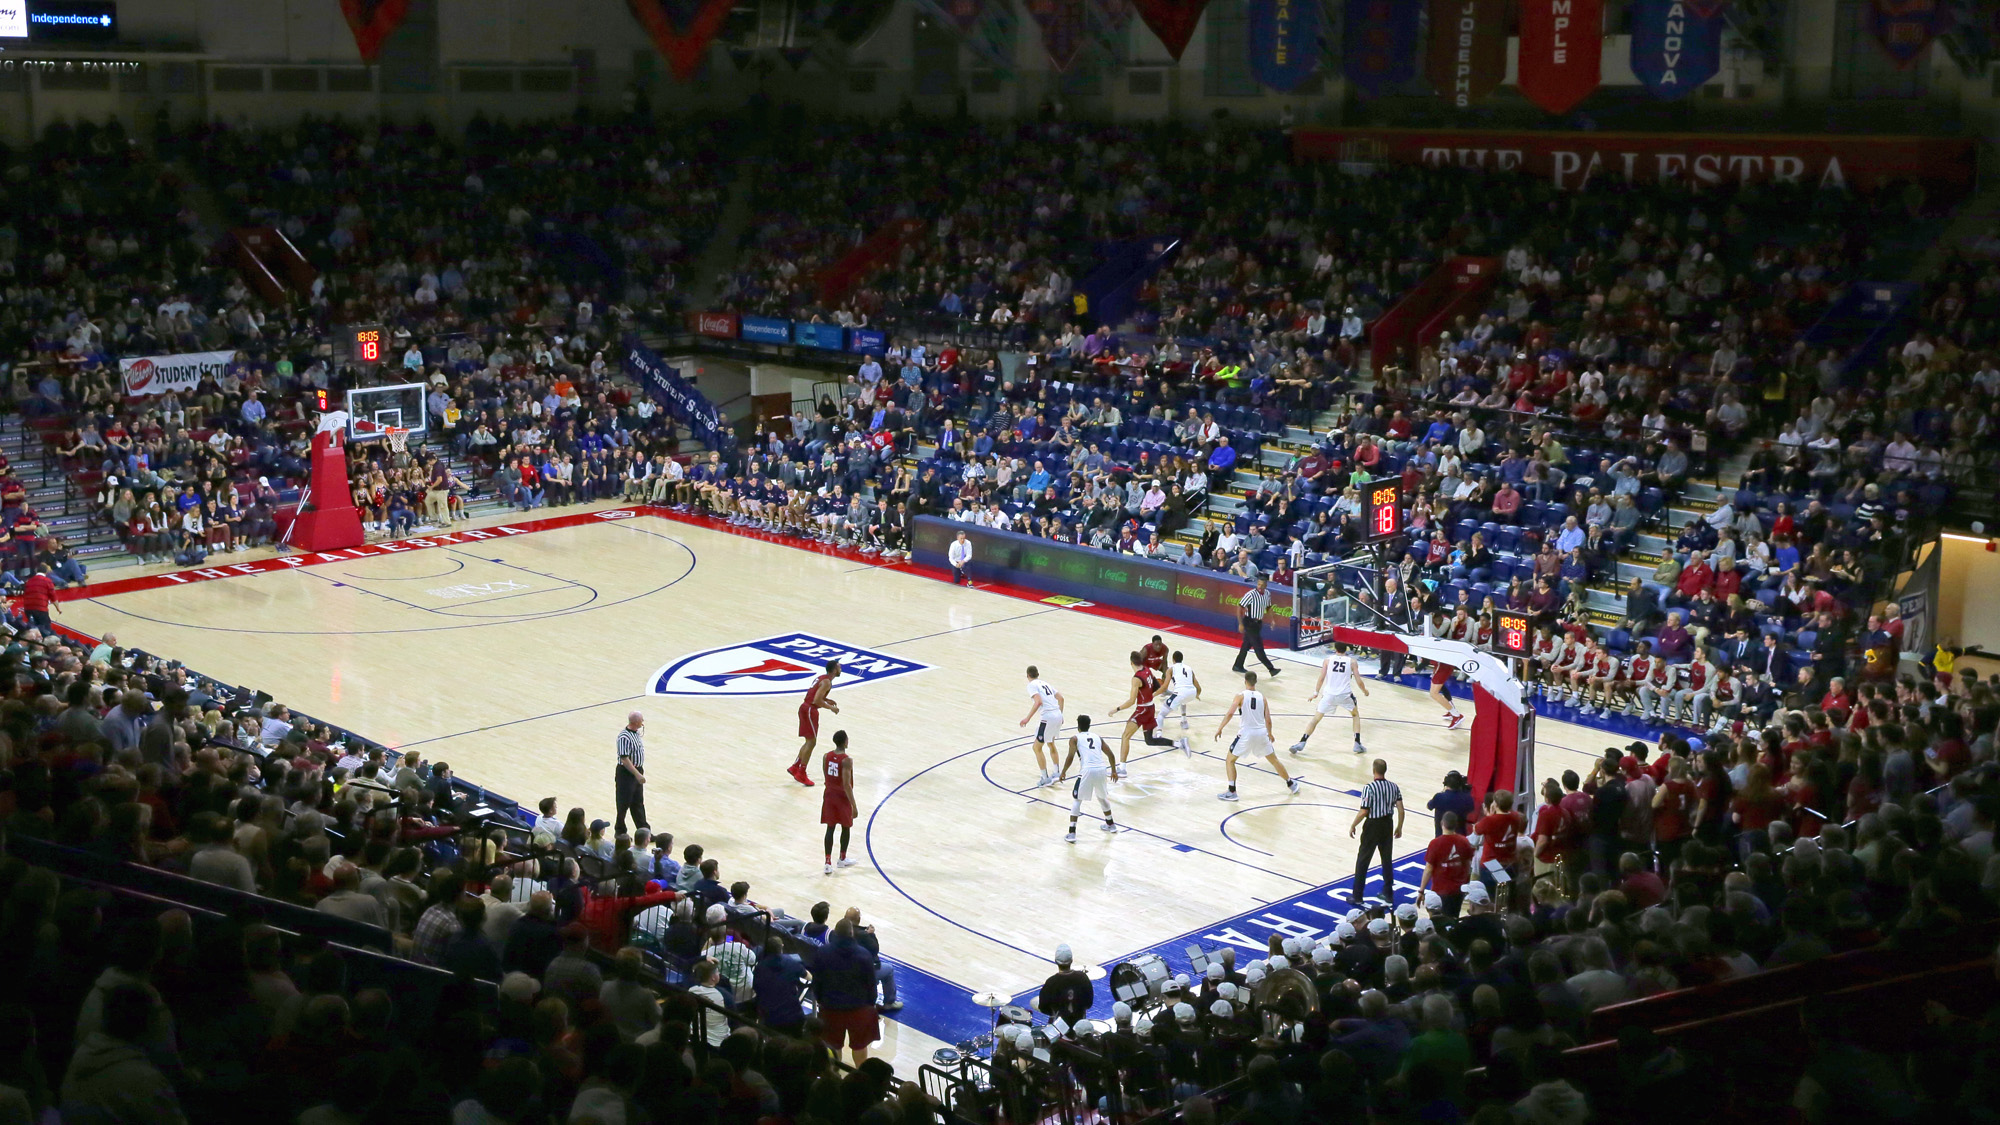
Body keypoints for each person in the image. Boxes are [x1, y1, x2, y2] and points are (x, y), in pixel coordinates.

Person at [1214, 670, 1303, 801]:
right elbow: (1268, 719)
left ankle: (1232, 791)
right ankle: (1291, 783)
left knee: (1230, 760)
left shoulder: (1240, 696)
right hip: (1262, 733)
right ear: (1256, 682)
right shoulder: (1263, 698)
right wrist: (1270, 733)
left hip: (1246, 734)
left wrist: (1220, 728)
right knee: (1274, 760)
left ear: (1245, 681)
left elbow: (1230, 714)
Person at [811, 918, 881, 1065]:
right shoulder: (864, 955)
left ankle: (834, 1076)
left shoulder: (822, 952)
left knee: (834, 1046)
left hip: (831, 1008)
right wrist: (870, 1004)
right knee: (860, 1046)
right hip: (859, 1009)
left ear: (836, 933)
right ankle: (861, 1076)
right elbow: (871, 985)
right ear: (851, 933)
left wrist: (820, 1000)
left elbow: (816, 980)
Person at [1290, 644, 1370, 756]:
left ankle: (1302, 742)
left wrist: (1315, 693)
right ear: (1346, 649)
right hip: (1345, 695)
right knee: (1355, 715)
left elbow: (1321, 678)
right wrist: (1365, 691)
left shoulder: (1327, 660)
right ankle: (1357, 743)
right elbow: (1359, 681)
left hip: (1329, 694)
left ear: (1335, 649)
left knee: (1315, 719)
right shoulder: (1352, 662)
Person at [1350, 758, 1405, 903]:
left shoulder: (1369, 788)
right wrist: (1399, 826)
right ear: (1385, 770)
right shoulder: (1394, 787)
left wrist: (1353, 824)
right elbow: (1401, 809)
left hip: (1373, 825)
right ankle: (1388, 893)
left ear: (1374, 770)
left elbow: (1364, 811)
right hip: (1388, 824)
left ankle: (1357, 895)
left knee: (1363, 859)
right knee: (1386, 859)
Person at [1058, 715, 1119, 842]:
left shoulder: (1075, 738)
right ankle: (1111, 825)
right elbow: (1111, 755)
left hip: (1087, 770)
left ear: (1078, 725)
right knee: (1102, 797)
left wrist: (1063, 771)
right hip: (1102, 769)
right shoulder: (1097, 737)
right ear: (1089, 725)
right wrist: (1113, 771)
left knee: (1077, 799)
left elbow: (1070, 757)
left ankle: (1072, 833)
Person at [1106, 650, 1172, 765]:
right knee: (1149, 740)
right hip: (1151, 707)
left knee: (1125, 736)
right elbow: (1157, 687)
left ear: (1131, 663)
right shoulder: (1147, 670)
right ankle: (1177, 744)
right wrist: (1151, 695)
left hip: (1142, 709)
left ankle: (1122, 768)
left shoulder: (1136, 678)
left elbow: (1131, 701)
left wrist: (1117, 709)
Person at [789, 659, 840, 787]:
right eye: (839, 667)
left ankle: (795, 766)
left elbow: (815, 694)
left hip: (805, 707)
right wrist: (830, 707)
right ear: (834, 669)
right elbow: (817, 700)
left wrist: (827, 699)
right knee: (812, 742)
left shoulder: (822, 678)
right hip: (810, 710)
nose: (841, 669)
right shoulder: (827, 682)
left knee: (808, 741)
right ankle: (801, 772)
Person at [1419, 811, 1474, 919]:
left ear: (1442, 824)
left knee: (1439, 920)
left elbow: (1428, 869)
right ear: (1456, 825)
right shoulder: (1464, 841)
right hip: (1458, 890)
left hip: (1440, 891)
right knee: (1454, 917)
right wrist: (1466, 881)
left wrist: (1421, 890)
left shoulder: (1435, 843)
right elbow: (1468, 865)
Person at [1019, 665, 1066, 788]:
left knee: (1036, 747)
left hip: (1048, 717)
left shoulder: (1031, 685)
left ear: (1028, 675)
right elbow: (1061, 698)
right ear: (1038, 674)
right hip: (1057, 714)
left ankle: (1045, 778)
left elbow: (1038, 701)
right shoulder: (1046, 683)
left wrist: (1027, 718)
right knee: (1051, 743)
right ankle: (1056, 773)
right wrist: (1060, 715)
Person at [821, 730, 858, 874]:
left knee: (830, 828)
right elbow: (846, 784)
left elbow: (825, 773)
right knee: (845, 827)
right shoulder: (846, 760)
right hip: (842, 797)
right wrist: (854, 805)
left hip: (829, 794)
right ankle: (842, 858)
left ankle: (827, 862)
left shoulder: (826, 756)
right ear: (845, 741)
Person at [1232, 575, 1282, 677]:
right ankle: (1271, 669)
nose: (1259, 586)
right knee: (1259, 647)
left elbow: (1268, 607)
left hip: (1258, 623)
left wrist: (1272, 620)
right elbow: (1239, 607)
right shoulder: (1251, 594)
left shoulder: (1267, 594)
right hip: (1249, 622)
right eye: (1258, 584)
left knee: (1246, 645)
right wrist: (1241, 623)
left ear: (1266, 585)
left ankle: (1238, 665)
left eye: (1262, 585)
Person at [1036, 943, 1094, 1025]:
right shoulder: (1083, 977)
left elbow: (1043, 1007)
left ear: (1056, 961)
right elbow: (1089, 1003)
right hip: (1080, 1024)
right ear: (1071, 960)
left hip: (1058, 1028)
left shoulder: (1051, 982)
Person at [1161, 649, 1202, 756]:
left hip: (1181, 693)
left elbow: (1165, 686)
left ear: (1173, 660)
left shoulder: (1171, 669)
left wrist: (1155, 693)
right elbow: (1198, 687)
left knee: (1162, 714)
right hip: (1192, 693)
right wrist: (1197, 695)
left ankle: (1158, 733)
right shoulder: (1189, 668)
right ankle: (1184, 721)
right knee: (1184, 700)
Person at [1429, 653, 1466, 729]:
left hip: (1443, 666)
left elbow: (1424, 662)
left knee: (1434, 693)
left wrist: (1414, 669)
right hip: (1443, 665)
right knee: (1442, 688)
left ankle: (1456, 715)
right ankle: (1452, 710)